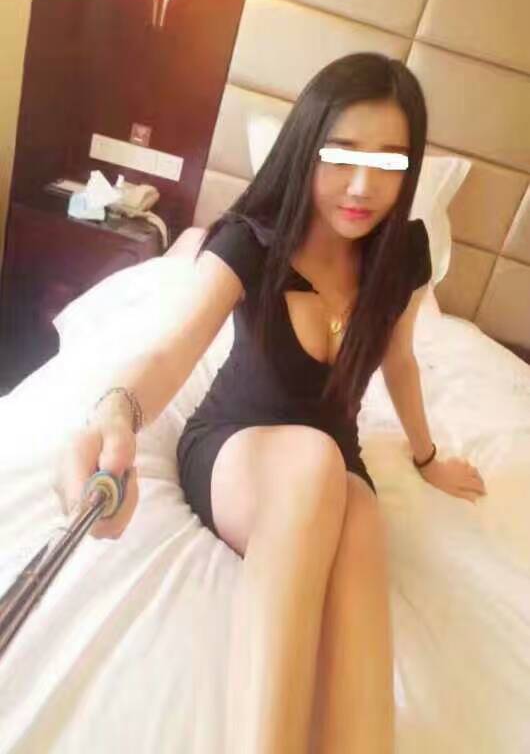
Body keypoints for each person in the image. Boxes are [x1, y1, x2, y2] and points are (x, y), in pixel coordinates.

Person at [60, 52, 486, 754]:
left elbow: (401, 360)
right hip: (235, 447)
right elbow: (169, 352)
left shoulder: (403, 255)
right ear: (306, 146)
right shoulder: (251, 240)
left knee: (358, 510)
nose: (362, 185)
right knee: (316, 462)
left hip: (334, 463)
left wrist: (427, 456)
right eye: (341, 155)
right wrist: (115, 413)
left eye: (388, 162)